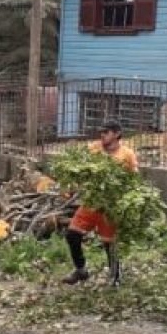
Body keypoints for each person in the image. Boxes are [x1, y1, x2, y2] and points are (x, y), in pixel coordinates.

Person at [62, 121, 138, 287]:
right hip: (91, 202)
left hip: (110, 205)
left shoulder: (127, 155)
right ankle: (80, 270)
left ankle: (115, 277)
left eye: (106, 132)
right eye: (101, 132)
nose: (102, 135)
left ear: (117, 134)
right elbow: (82, 169)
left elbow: (133, 179)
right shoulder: (94, 149)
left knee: (109, 242)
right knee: (72, 235)